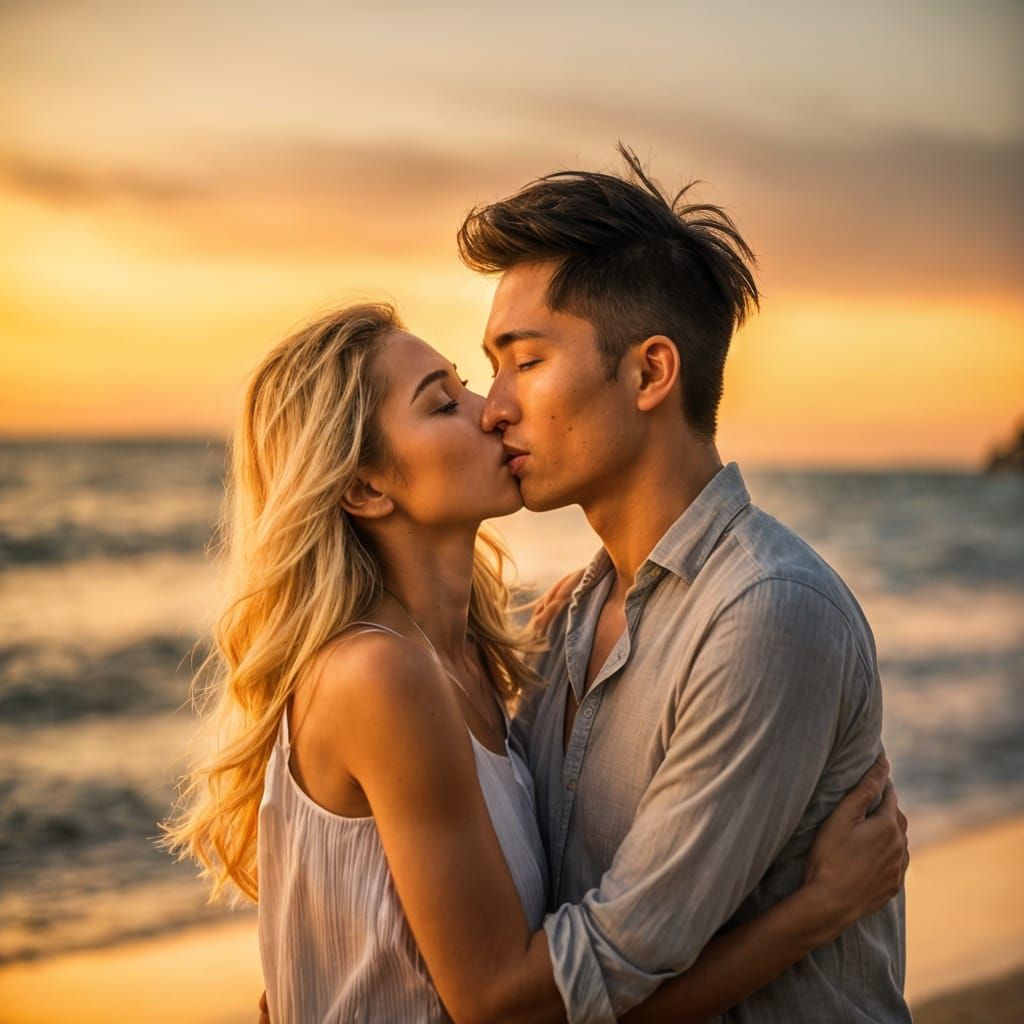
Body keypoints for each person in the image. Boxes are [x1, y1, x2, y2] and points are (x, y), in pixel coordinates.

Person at [163, 302, 907, 1024]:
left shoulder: (494, 662)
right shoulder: (379, 676)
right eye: (443, 403)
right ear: (364, 487)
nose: (490, 409)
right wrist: (816, 912)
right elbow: (499, 1003)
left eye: (489, 376)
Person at [449, 145, 912, 1021]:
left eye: (527, 361)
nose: (492, 406)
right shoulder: (567, 621)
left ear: (651, 372)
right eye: (491, 365)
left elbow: (597, 974)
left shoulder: (768, 615)